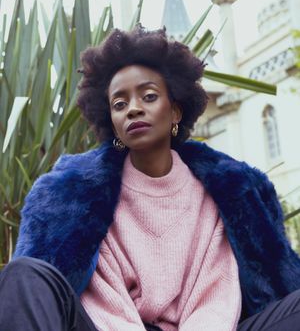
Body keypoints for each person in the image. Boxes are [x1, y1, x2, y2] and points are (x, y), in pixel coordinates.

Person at [1, 24, 300, 331]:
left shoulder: (227, 190)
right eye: (119, 104)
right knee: (24, 275)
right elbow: (97, 304)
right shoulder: (74, 195)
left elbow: (217, 298)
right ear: (113, 122)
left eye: (149, 96)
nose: (133, 109)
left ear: (175, 112)